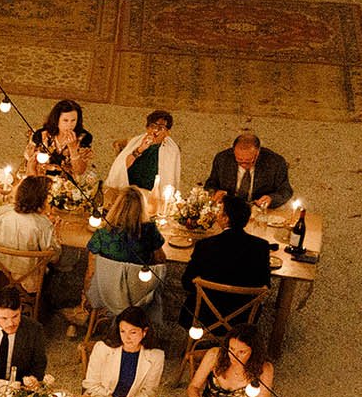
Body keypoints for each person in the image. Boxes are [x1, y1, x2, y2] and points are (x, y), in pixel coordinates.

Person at [180, 195, 273, 326]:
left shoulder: (205, 245)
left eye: (219, 211)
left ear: (225, 218)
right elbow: (266, 285)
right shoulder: (261, 246)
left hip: (205, 316)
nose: (217, 214)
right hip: (243, 319)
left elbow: (187, 283)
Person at [83, 186, 168, 320]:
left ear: (116, 206)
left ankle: (86, 314)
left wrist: (87, 293)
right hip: (139, 295)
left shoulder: (102, 234)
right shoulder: (149, 231)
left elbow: (90, 271)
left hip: (107, 293)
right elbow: (161, 260)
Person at [186, 331, 273, 397]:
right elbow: (193, 387)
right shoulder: (215, 355)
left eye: (242, 352)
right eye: (231, 348)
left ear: (254, 352)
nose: (234, 356)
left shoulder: (264, 369)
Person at [83, 306, 165, 397]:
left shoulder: (156, 356)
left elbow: (149, 393)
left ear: (144, 332)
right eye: (123, 331)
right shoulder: (102, 348)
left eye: (133, 332)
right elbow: (91, 384)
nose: (127, 337)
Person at [105, 109, 182, 203]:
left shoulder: (171, 150)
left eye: (161, 128)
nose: (155, 130)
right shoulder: (135, 142)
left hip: (153, 198)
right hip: (129, 192)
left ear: (167, 132)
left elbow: (170, 178)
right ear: (147, 128)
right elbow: (122, 167)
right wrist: (140, 149)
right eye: (152, 126)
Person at [203, 132, 292, 209]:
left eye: (249, 161)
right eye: (240, 160)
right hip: (229, 210)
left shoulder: (275, 162)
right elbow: (211, 183)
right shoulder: (222, 159)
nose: (244, 164)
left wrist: (271, 199)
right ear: (234, 151)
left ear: (257, 153)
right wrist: (215, 192)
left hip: (258, 211)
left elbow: (285, 191)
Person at [0, 174, 58, 256]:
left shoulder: (3, 212)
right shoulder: (43, 223)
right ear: (41, 200)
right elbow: (53, 256)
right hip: (30, 268)